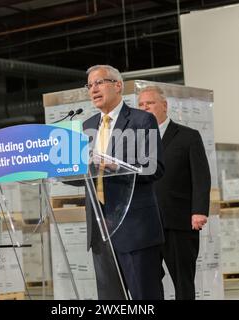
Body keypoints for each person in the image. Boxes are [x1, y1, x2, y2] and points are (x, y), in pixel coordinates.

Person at [82, 65, 165, 300]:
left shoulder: (141, 120)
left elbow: (155, 168)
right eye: (89, 85)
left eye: (99, 83)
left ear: (117, 85)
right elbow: (82, 179)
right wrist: (64, 168)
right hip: (100, 231)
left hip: (135, 229)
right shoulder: (87, 126)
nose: (93, 89)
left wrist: (117, 166)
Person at [138, 85, 211, 300]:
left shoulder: (188, 137)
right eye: (140, 105)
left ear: (164, 105)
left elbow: (201, 177)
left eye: (149, 103)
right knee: (148, 280)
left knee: (182, 281)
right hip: (146, 225)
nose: (144, 108)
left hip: (178, 222)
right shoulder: (136, 141)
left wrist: (199, 211)